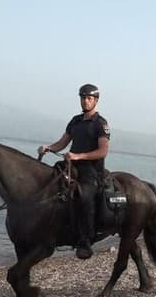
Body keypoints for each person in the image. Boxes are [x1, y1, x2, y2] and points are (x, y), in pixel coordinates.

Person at [38, 83, 110, 259]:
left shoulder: (100, 124)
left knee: (85, 196)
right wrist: (48, 148)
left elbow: (103, 151)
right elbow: (62, 143)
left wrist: (78, 156)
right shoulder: (75, 121)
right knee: (49, 185)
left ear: (96, 101)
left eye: (89, 98)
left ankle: (85, 240)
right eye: (83, 98)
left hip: (91, 170)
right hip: (72, 165)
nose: (85, 101)